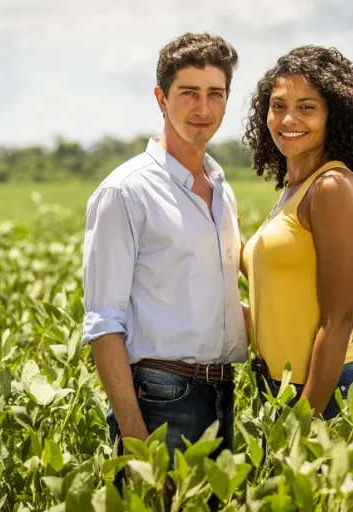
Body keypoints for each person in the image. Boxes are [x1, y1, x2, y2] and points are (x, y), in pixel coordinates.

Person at [81, 32, 247, 474]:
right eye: (188, 93)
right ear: (161, 98)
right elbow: (103, 324)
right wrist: (136, 439)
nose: (203, 109)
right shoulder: (125, 191)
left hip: (224, 391)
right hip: (160, 396)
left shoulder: (221, 190)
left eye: (216, 94)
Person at [241, 45, 353, 420]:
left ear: (333, 117)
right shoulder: (294, 190)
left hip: (329, 392)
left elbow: (338, 321)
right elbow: (278, 290)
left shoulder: (331, 187)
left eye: (306, 107)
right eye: (278, 106)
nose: (288, 118)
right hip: (282, 389)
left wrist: (303, 420)